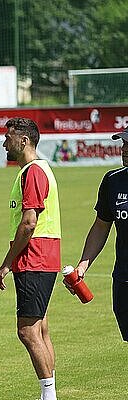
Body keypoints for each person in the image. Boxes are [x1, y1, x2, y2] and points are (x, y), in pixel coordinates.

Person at [0, 118, 61, 400]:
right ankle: (50, 392)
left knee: (27, 331)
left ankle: (49, 394)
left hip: (34, 258)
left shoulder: (33, 172)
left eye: (8, 138)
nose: (3, 143)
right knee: (40, 328)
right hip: (44, 257)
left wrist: (7, 262)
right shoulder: (37, 169)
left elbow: (29, 222)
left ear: (23, 141)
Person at [74, 127, 128, 342]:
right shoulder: (112, 181)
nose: (123, 149)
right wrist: (83, 265)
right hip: (124, 278)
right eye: (123, 144)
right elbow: (101, 226)